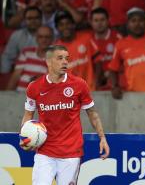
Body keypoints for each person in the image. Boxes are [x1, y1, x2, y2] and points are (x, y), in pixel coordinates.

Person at [20, 44, 110, 184]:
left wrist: (102, 138)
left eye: (67, 58)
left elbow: (92, 113)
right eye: (60, 58)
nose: (65, 62)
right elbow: (28, 115)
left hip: (71, 153)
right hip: (45, 152)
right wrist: (24, 136)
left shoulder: (79, 85)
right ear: (48, 61)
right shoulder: (34, 87)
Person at [54, 11, 102, 91]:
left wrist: (96, 82)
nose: (65, 27)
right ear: (57, 28)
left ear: (73, 25)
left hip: (90, 90)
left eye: (68, 23)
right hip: (70, 94)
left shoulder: (87, 38)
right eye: (61, 25)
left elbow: (98, 61)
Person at [7, 26, 53, 92]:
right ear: (36, 38)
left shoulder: (54, 58)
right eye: (40, 37)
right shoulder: (26, 52)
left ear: (52, 39)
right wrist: (7, 97)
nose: (44, 40)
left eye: (47, 37)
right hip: (18, 95)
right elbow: (15, 77)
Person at [1, 6, 42, 73]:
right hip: (20, 72)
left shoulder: (49, 35)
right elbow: (8, 57)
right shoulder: (17, 35)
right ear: (24, 20)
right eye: (29, 18)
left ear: (41, 19)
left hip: (41, 73)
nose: (33, 21)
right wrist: (5, 74)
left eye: (36, 18)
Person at [89, 8, 122, 89]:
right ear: (91, 22)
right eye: (96, 20)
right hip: (96, 83)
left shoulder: (118, 38)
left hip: (117, 82)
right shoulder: (88, 40)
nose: (99, 23)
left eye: (102, 20)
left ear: (108, 20)